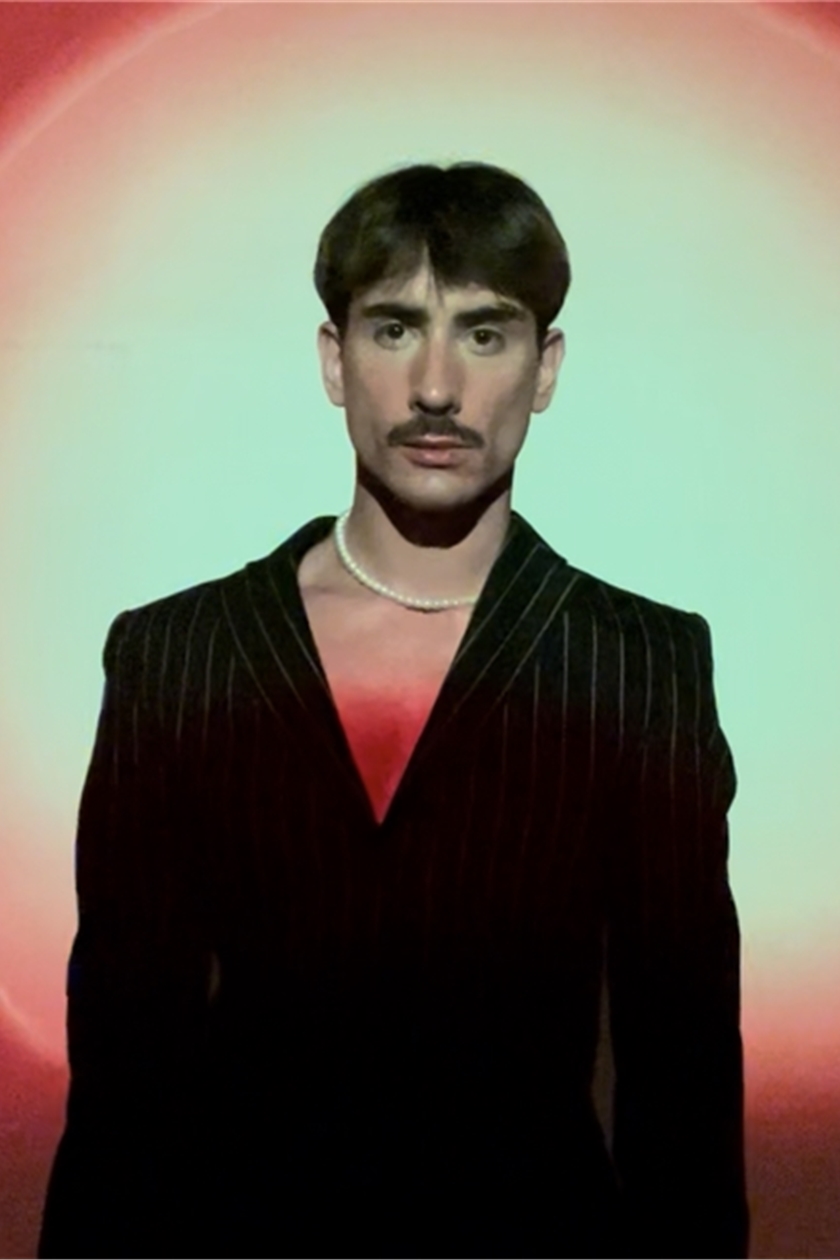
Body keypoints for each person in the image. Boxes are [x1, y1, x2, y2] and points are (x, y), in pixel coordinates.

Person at [38, 160, 748, 1259]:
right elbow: (125, 1076)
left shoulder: (641, 667)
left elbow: (681, 1083)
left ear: (546, 367)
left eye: (485, 333)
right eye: (394, 328)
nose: (435, 387)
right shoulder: (178, 657)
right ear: (334, 359)